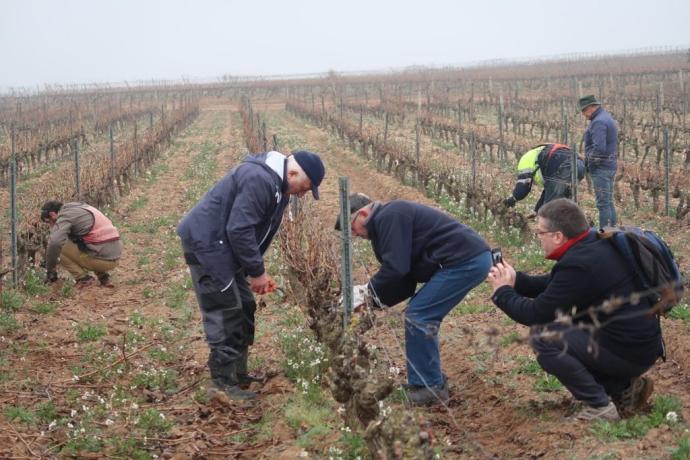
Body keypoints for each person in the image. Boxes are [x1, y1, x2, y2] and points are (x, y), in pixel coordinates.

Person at [487, 199, 662, 422]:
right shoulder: (595, 243)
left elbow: (536, 314)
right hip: (638, 344)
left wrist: (502, 292)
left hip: (628, 351)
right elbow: (554, 284)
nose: (538, 238)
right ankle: (625, 387)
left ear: (558, 236)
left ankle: (600, 406)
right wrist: (515, 279)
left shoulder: (580, 263)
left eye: (540, 232)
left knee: (544, 337)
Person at [177, 150, 325, 400]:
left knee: (245, 305)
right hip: (209, 247)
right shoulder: (260, 179)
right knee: (226, 312)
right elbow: (240, 229)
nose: (302, 194)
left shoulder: (279, 188)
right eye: (305, 187)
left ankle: (238, 373)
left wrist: (250, 269)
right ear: (292, 173)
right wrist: (257, 272)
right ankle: (222, 384)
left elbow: (252, 231)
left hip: (225, 249)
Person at [336, 193, 491, 406]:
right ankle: (427, 382)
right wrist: (370, 303)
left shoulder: (391, 215)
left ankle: (430, 388)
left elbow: (396, 269)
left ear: (363, 213)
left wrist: (365, 292)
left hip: (465, 260)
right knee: (418, 313)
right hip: (462, 260)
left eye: (352, 228)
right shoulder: (383, 228)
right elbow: (405, 281)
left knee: (420, 315)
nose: (354, 234)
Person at [41, 201, 122, 289]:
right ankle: (103, 277)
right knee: (83, 240)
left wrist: (50, 270)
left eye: (49, 222)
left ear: (52, 214)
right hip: (114, 255)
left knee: (58, 245)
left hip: (102, 260)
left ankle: (83, 279)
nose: (50, 225)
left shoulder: (65, 215)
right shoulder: (80, 207)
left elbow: (55, 243)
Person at [503, 143, 585, 214]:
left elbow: (523, 187)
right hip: (580, 165)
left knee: (550, 209)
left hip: (564, 166)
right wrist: (536, 210)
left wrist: (513, 199)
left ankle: (550, 230)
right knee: (565, 205)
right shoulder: (542, 156)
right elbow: (548, 191)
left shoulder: (525, 160)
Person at [580, 95, 619, 228]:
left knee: (603, 203)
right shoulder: (605, 116)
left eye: (584, 111)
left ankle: (605, 233)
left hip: (601, 167)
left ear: (591, 107)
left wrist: (589, 161)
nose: (584, 115)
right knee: (608, 201)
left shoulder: (598, 122)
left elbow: (599, 148)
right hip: (610, 164)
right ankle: (612, 230)